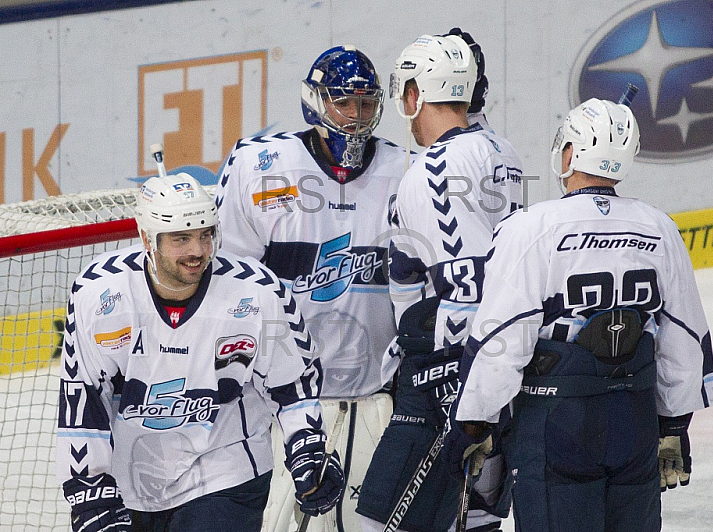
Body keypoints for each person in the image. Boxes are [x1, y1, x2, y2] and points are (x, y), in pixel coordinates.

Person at [447, 98, 713, 531]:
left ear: (569, 153)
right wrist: (674, 424)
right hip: (635, 422)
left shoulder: (532, 227)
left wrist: (475, 423)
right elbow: (685, 336)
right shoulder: (659, 227)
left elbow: (503, 338)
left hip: (558, 425)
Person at [55, 173, 344, 532]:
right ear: (147, 238)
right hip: (129, 480)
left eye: (205, 234)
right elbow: (84, 399)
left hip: (225, 470)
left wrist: (306, 448)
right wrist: (90, 488)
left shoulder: (256, 292)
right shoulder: (99, 294)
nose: (197, 251)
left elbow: (293, 386)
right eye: (181, 238)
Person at [214, 45, 408, 531]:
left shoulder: (404, 170)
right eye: (343, 103)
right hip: (282, 404)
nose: (355, 117)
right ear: (315, 102)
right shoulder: (260, 166)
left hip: (375, 400)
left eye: (366, 105)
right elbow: (227, 287)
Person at [355, 33, 524, 532]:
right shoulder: (499, 148)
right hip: (500, 372)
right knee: (473, 523)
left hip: (449, 382)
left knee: (378, 523)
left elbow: (469, 291)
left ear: (415, 96)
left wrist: (467, 402)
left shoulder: (435, 168)